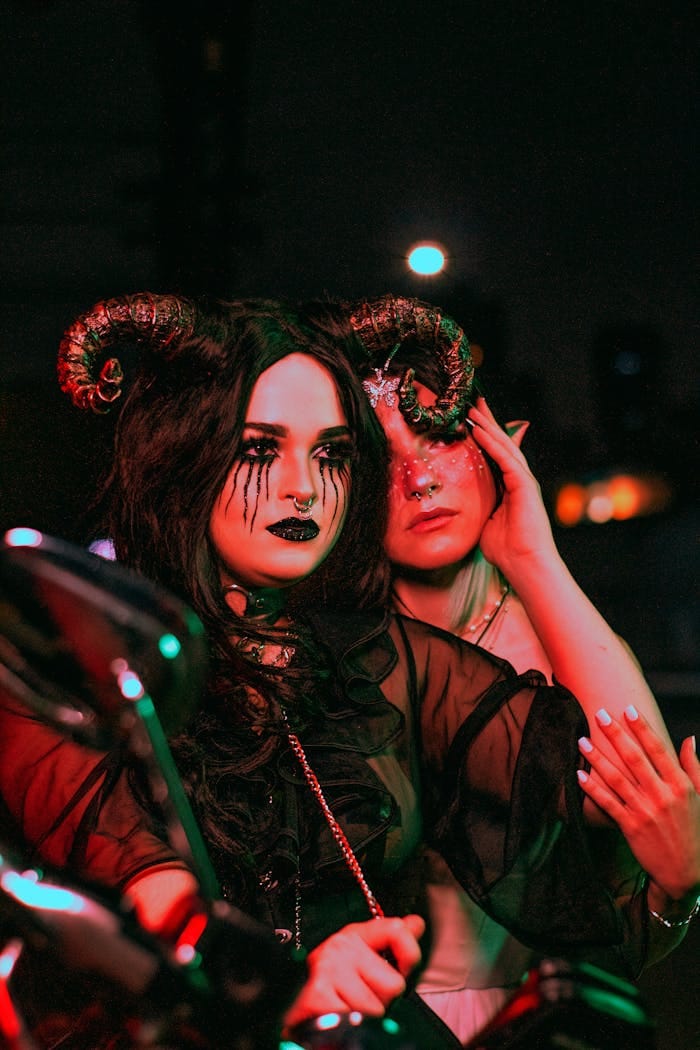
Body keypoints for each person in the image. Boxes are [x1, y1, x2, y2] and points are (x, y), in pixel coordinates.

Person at [0, 292, 689, 1049]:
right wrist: (282, 986)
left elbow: (621, 772)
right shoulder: (85, 653)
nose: (304, 486)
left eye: (330, 453)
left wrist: (532, 558)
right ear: (184, 456)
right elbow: (143, 875)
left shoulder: (370, 661)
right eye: (261, 448)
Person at [306, 292, 700, 1044]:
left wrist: (533, 558)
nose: (416, 478)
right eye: (374, 457)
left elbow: (641, 809)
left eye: (436, 434)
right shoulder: (332, 659)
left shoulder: (557, 634)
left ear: (500, 440)